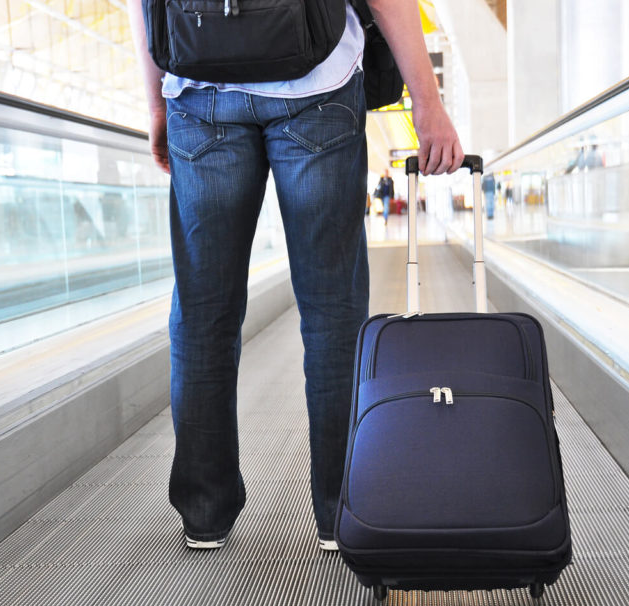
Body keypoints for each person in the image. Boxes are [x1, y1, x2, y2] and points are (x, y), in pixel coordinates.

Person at [127, 0, 464, 552]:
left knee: (202, 311)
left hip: (198, 92)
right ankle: (339, 508)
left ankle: (204, 512)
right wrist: (426, 103)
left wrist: (157, 104)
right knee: (332, 310)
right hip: (317, 88)